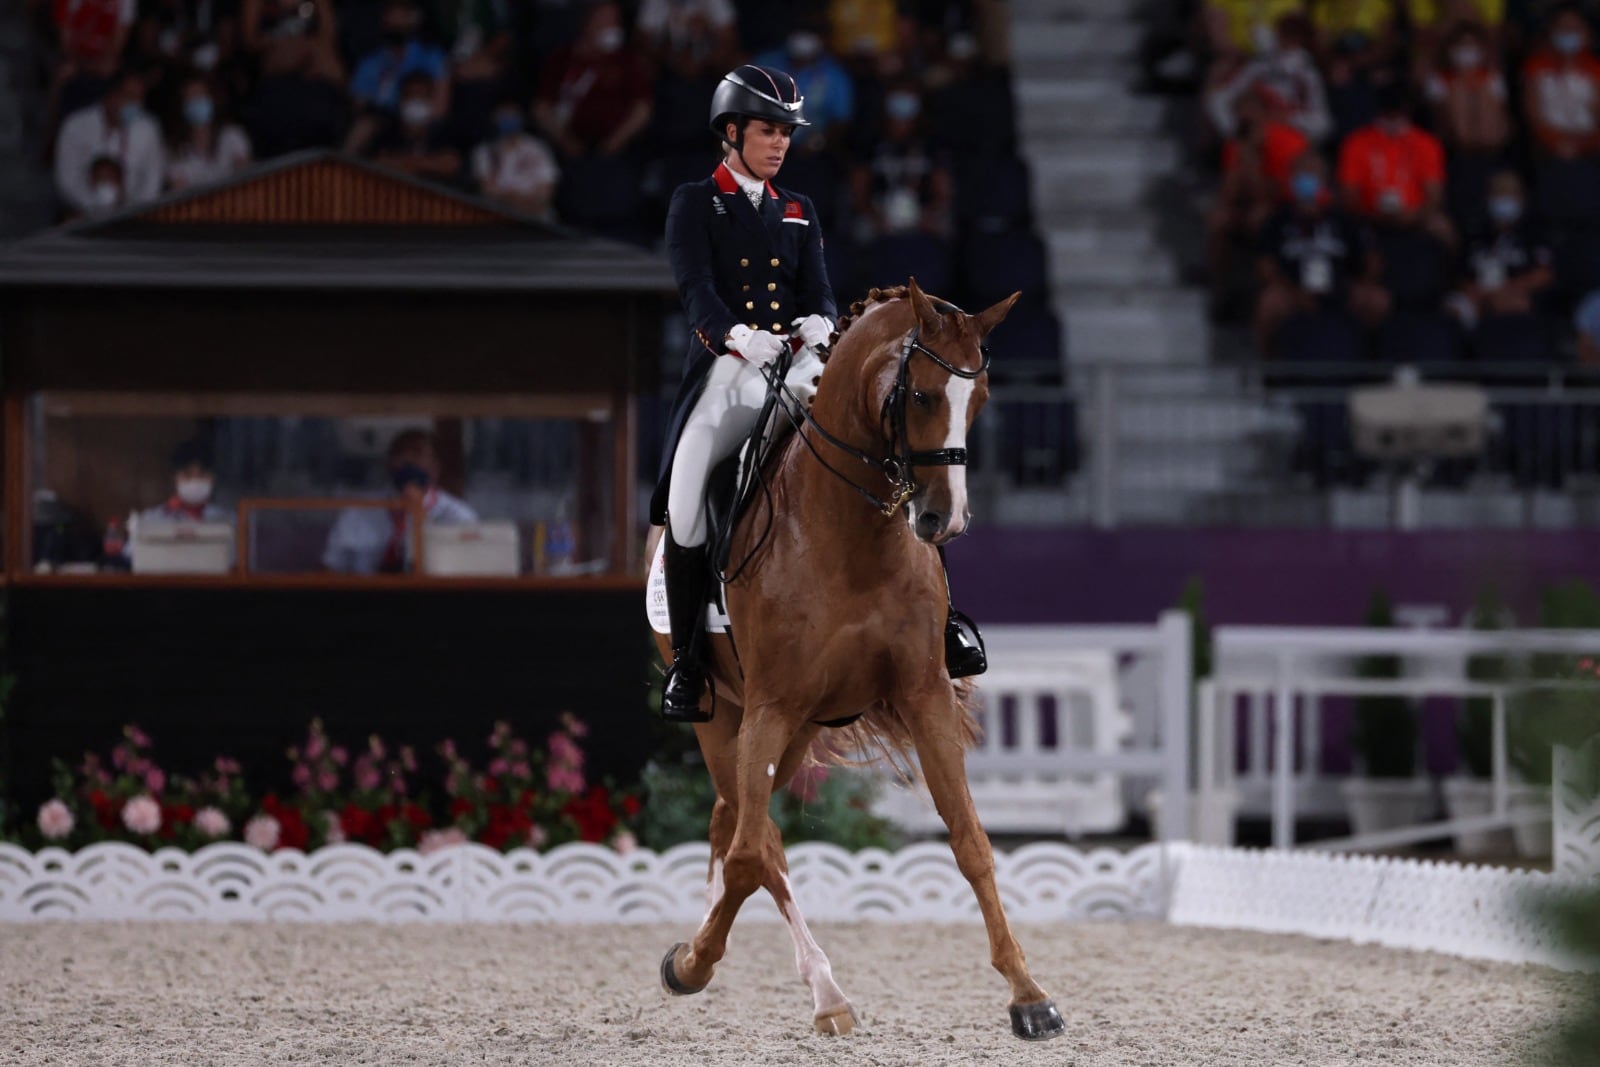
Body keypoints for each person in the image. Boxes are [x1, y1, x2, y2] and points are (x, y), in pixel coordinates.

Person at [650, 64, 981, 723]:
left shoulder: (798, 208)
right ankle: (689, 661)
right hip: (728, 369)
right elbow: (696, 292)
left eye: (786, 134)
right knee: (688, 501)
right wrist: (740, 335)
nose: (780, 144)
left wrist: (820, 322)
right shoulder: (696, 201)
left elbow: (819, 289)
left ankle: (947, 625)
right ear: (733, 131)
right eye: (769, 131)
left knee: (896, 446)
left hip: (801, 363)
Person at [1255, 150, 1389, 355]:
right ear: (1291, 178)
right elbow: (1266, 266)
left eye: (1313, 173)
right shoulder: (1277, 219)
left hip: (1341, 289)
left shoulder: (1343, 218)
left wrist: (1361, 285)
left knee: (1378, 301)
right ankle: (1268, 370)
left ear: (1325, 180)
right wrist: (1294, 292)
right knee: (1270, 304)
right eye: (1302, 173)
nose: (1307, 177)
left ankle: (1373, 368)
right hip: (1294, 290)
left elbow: (1371, 258)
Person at [323, 430, 478, 575]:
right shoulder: (360, 510)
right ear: (389, 465)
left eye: (417, 453)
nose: (408, 461)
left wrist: (420, 516)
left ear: (436, 468)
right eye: (400, 454)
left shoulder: (458, 516)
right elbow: (331, 568)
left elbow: (466, 570)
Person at [54, 68, 166, 216]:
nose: (136, 104)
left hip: (132, 214)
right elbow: (66, 180)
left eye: (140, 98)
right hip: (83, 213)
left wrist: (132, 211)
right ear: (111, 96)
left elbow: (152, 180)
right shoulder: (76, 126)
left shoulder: (148, 129)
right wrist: (95, 207)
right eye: (130, 97)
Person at [470, 98, 560, 216]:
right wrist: (512, 200)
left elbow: (547, 191)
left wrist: (527, 204)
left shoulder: (539, 148)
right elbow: (487, 191)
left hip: (536, 216)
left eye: (512, 114)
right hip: (497, 215)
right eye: (504, 115)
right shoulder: (484, 151)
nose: (508, 119)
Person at [164, 72, 254, 190]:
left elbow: (245, 174)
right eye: (191, 98)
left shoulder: (232, 135)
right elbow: (180, 190)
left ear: (211, 99)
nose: (197, 101)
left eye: (201, 95)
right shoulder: (175, 152)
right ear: (183, 107)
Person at [137, 439, 233, 525]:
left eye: (202, 474)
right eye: (187, 474)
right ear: (175, 477)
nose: (195, 480)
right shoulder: (151, 520)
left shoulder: (229, 520)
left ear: (213, 477)